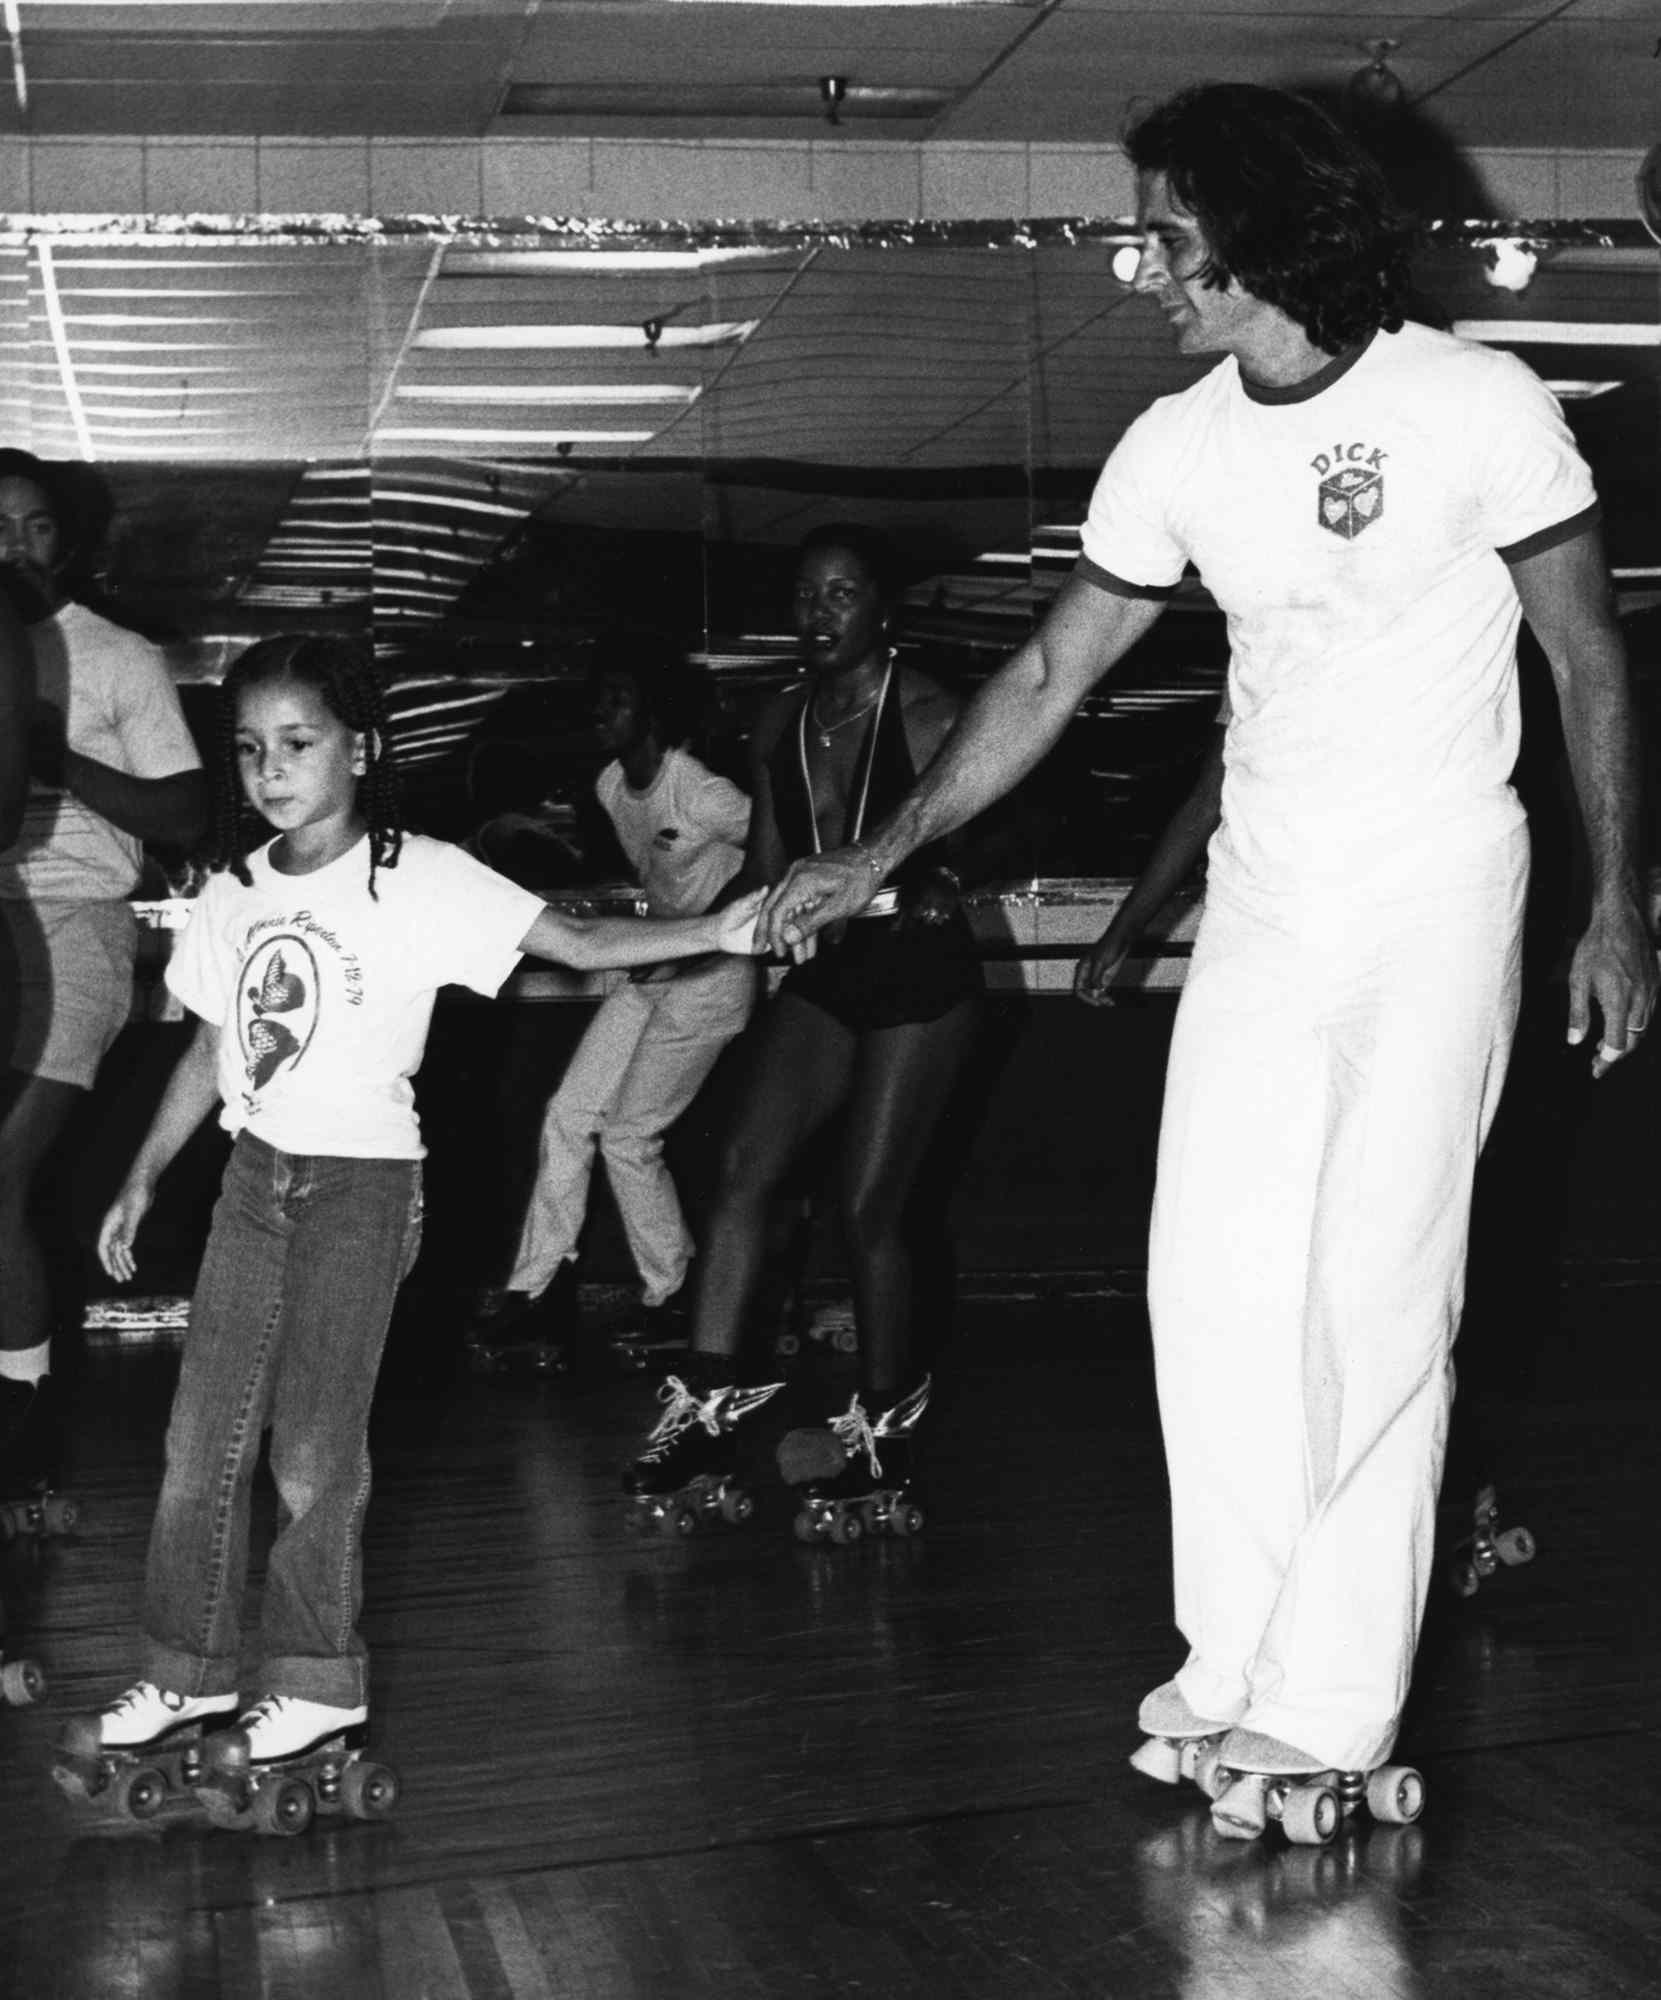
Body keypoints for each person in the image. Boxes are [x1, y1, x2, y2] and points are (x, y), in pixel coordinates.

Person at [758, 85, 1655, 1809]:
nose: (1140, 264)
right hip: (1264, 902)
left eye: (1166, 231)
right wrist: (880, 845)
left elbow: (1585, 665)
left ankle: (1329, 1703)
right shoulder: (1176, 442)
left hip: (1439, 891)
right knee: (1212, 1284)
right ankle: (1229, 1661)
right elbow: (1042, 679)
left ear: (1262, 233)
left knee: (1376, 1293)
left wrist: (1614, 901)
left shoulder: (1477, 406)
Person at [57, 634, 762, 1778]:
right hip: (252, 1183)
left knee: (314, 1453)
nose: (268, 769)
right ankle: (185, 1668)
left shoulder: (417, 870)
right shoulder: (235, 888)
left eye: (296, 743)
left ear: (363, 746)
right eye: (247, 749)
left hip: (364, 1188)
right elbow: (209, 1042)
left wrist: (720, 926)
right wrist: (144, 1171)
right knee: (200, 1443)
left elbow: (577, 939)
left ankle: (314, 1682)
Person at [623, 525, 984, 1527]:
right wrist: (691, 933)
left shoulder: (928, 706)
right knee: (745, 1166)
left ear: (880, 608)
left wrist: (944, 880)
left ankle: (877, 1434)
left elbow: (1002, 821)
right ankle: (701, 1409)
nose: (818, 614)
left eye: (840, 594)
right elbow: (771, 862)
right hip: (831, 969)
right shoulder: (779, 717)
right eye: (805, 595)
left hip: (921, 973)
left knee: (869, 1205)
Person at [0, 450, 209, 1493]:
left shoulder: (117, 656)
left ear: (66, 540)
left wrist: (53, 760)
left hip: (77, 927)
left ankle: (26, 1433)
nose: (12, 548)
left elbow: (183, 815)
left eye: (34, 527)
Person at [466, 646, 756, 1358]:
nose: (603, 714)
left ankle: (675, 1293)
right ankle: (538, 1292)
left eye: (617, 700)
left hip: (713, 982)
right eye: (598, 701)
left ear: (652, 712)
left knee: (628, 1136)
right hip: (651, 970)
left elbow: (775, 854)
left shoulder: (702, 791)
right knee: (568, 1116)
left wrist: (710, 930)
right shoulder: (609, 787)